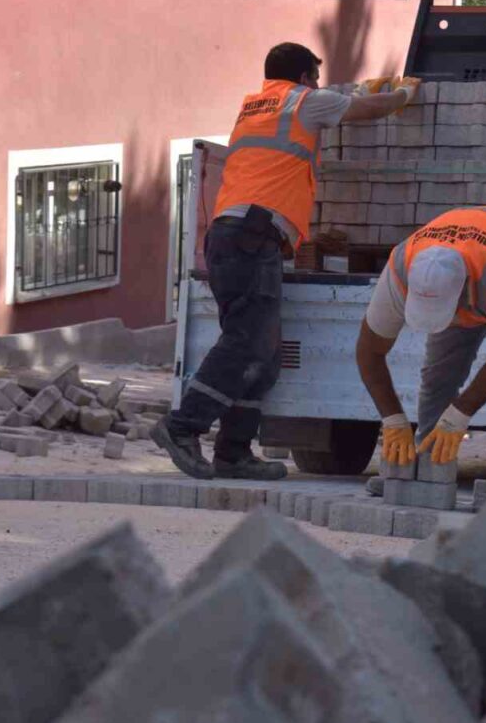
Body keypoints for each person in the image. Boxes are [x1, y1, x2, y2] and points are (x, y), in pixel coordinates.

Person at [153, 42, 420, 480]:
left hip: (239, 236)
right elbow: (365, 110)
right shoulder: (304, 102)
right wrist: (401, 95)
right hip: (250, 239)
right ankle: (181, 427)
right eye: (315, 76)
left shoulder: (256, 105)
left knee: (265, 355)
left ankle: (233, 453)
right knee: (244, 342)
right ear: (302, 77)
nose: (318, 84)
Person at [354, 205, 486, 506]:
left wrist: (459, 414)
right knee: (439, 370)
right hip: (468, 259)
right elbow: (368, 352)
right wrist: (393, 419)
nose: (449, 320)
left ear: (464, 291)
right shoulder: (401, 269)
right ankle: (426, 463)